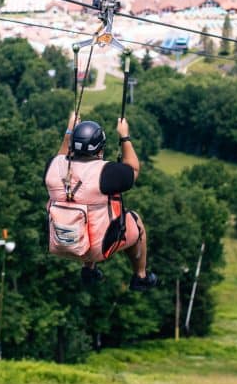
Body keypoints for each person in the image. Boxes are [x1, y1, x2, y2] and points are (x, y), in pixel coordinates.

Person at [44, 113, 157, 291]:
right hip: (97, 248)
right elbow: (133, 169)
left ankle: (89, 270)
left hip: (58, 243)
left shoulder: (52, 167)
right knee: (135, 220)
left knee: (88, 214)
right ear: (100, 149)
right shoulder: (106, 173)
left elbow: (61, 157)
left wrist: (69, 130)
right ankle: (140, 276)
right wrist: (124, 136)